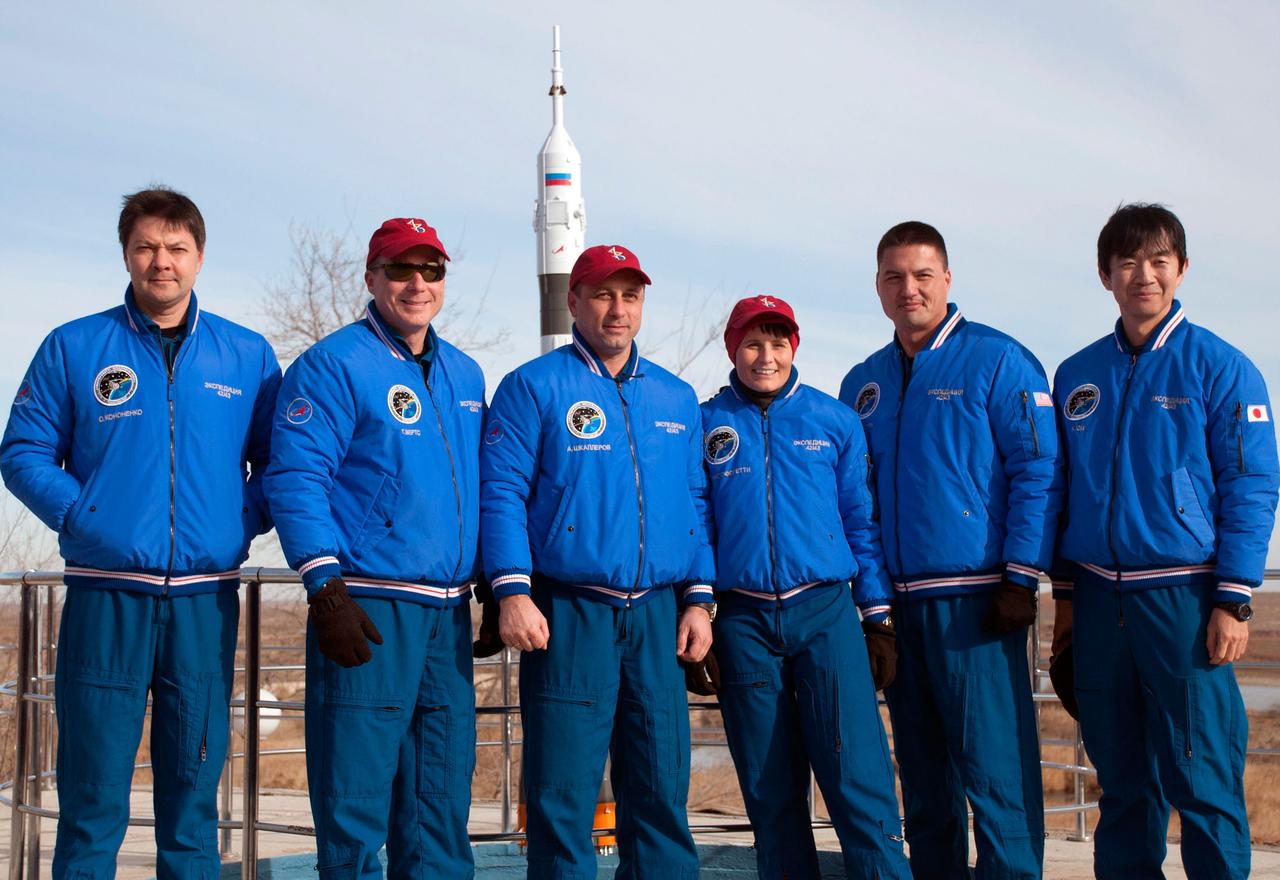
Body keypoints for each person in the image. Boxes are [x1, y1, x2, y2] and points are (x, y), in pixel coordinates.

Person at [0, 187, 280, 879]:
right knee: (93, 801)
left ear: (200, 258)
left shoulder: (245, 355)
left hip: (204, 603)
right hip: (105, 601)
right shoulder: (74, 345)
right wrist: (86, 517)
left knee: (193, 800)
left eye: (177, 248)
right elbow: (24, 452)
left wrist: (235, 524)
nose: (162, 262)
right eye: (147, 247)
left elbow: (282, 465)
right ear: (126, 253)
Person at [1049, 203, 1279, 880]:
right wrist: (1065, 608)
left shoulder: (1221, 368)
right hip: (1096, 602)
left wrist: (1233, 598)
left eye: (1157, 260)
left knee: (1201, 778)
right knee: (1121, 784)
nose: (1143, 275)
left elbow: (1251, 485)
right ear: (1105, 275)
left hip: (1182, 599)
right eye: (1127, 262)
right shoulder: (1076, 376)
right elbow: (1063, 495)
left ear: (1181, 269)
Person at [481, 244, 713, 879]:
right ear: (574, 301)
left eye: (630, 296)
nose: (618, 309)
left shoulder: (674, 396)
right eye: (604, 295)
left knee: (661, 787)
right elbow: (501, 492)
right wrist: (511, 590)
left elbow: (694, 501)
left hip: (657, 615)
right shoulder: (534, 386)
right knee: (562, 794)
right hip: (571, 612)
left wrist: (700, 596)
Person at [264, 217, 485, 878]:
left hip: (449, 616)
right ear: (371, 277)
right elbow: (296, 476)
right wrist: (323, 583)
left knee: (439, 803)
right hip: (368, 606)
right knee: (356, 804)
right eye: (399, 270)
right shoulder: (334, 365)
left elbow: (491, 489)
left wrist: (502, 583)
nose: (417, 284)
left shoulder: (465, 375)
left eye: (431, 271)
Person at [838, 221, 1059, 879]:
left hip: (979, 605)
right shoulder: (863, 384)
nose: (910, 289)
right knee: (926, 781)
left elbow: (1038, 469)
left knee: (997, 775)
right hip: (902, 612)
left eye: (922, 275)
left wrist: (1021, 575)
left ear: (947, 280)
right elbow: (858, 505)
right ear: (878, 287)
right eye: (895, 277)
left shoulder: (998, 360)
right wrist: (873, 606)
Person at [698, 294, 910, 878]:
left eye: (778, 342)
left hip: (824, 611)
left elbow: (860, 522)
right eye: (752, 343)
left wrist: (877, 615)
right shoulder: (707, 423)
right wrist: (695, 609)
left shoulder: (833, 420)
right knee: (770, 787)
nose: (766, 355)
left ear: (795, 346)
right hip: (743, 620)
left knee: (857, 774)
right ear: (733, 349)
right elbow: (698, 523)